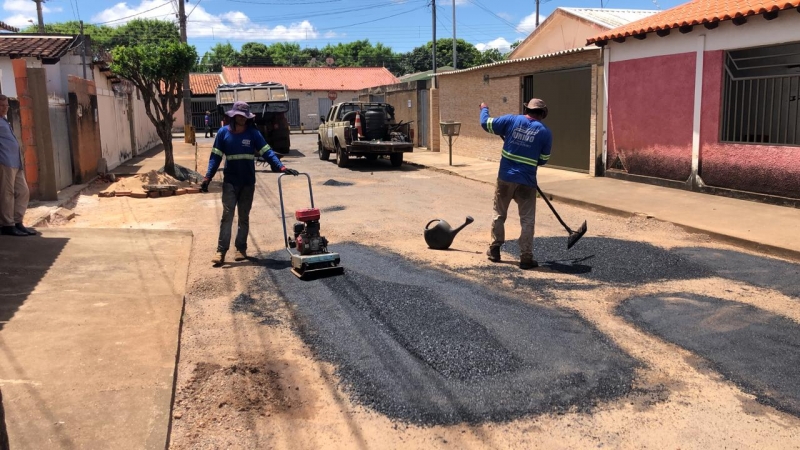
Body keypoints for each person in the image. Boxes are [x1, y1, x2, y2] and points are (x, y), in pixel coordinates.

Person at [201, 101, 299, 265]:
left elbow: (267, 151)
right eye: (240, 116)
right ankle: (221, 251)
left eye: (245, 116)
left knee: (244, 217)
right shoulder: (223, 133)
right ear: (234, 115)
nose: (243, 119)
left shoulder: (253, 133)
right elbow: (215, 157)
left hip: (247, 182)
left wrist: (280, 166)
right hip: (230, 182)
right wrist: (207, 177)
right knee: (227, 215)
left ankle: (241, 248)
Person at [480, 98, 552, 269]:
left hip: (505, 178)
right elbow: (543, 160)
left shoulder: (511, 120)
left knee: (499, 213)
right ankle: (526, 258)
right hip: (527, 182)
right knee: (527, 220)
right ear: (542, 114)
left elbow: (485, 123)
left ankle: (495, 249)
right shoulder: (545, 132)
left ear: (526, 109)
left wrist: (484, 108)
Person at [0, 94, 35, 237]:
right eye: (2, 106)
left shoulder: (4, 121)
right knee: (6, 194)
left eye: (7, 105)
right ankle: (7, 225)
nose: (5, 108)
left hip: (16, 162)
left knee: (23, 191)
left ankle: (17, 222)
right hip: (5, 162)